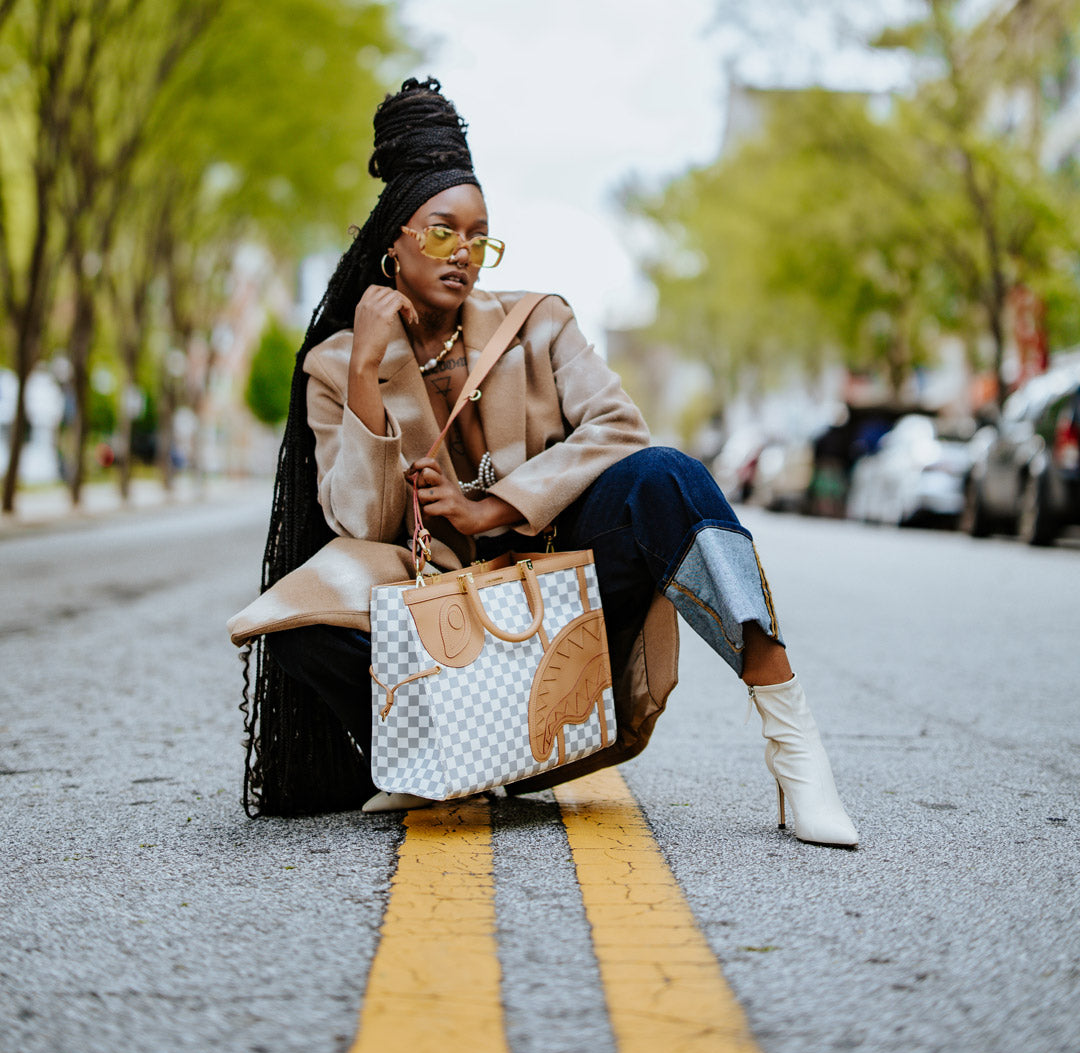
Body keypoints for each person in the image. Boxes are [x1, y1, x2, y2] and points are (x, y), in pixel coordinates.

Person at [238, 77, 858, 849]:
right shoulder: (335, 366)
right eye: (441, 232)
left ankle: (797, 752)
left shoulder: (539, 323)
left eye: (478, 236)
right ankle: (433, 754)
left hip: (561, 603)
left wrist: (491, 508)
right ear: (391, 242)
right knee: (296, 625)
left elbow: (618, 426)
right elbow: (358, 523)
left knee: (668, 478)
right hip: (443, 630)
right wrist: (366, 369)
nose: (462, 253)